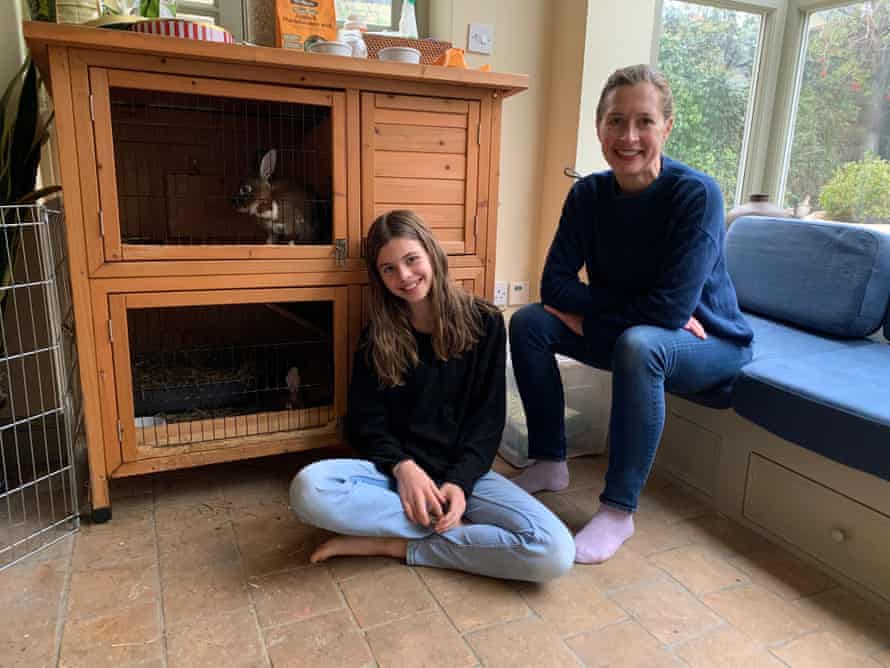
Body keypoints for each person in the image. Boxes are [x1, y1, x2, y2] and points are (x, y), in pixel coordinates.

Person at [509, 64, 754, 565]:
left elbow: (672, 309)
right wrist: (622, 314)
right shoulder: (588, 195)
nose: (629, 136)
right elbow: (552, 285)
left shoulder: (697, 194)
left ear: (667, 126)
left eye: (644, 121)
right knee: (530, 322)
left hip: (711, 341)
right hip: (641, 331)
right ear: (599, 129)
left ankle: (619, 510)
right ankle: (549, 460)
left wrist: (591, 317)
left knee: (641, 344)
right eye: (616, 122)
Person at [289, 210, 574, 582]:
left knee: (555, 552)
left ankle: (397, 544)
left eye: (411, 260)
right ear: (378, 276)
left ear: (432, 254)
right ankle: (458, 530)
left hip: (466, 477)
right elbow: (365, 423)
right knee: (308, 489)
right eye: (388, 268)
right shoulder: (376, 337)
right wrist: (404, 469)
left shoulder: (486, 322)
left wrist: (459, 482)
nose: (404, 276)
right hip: (395, 476)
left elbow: (487, 423)